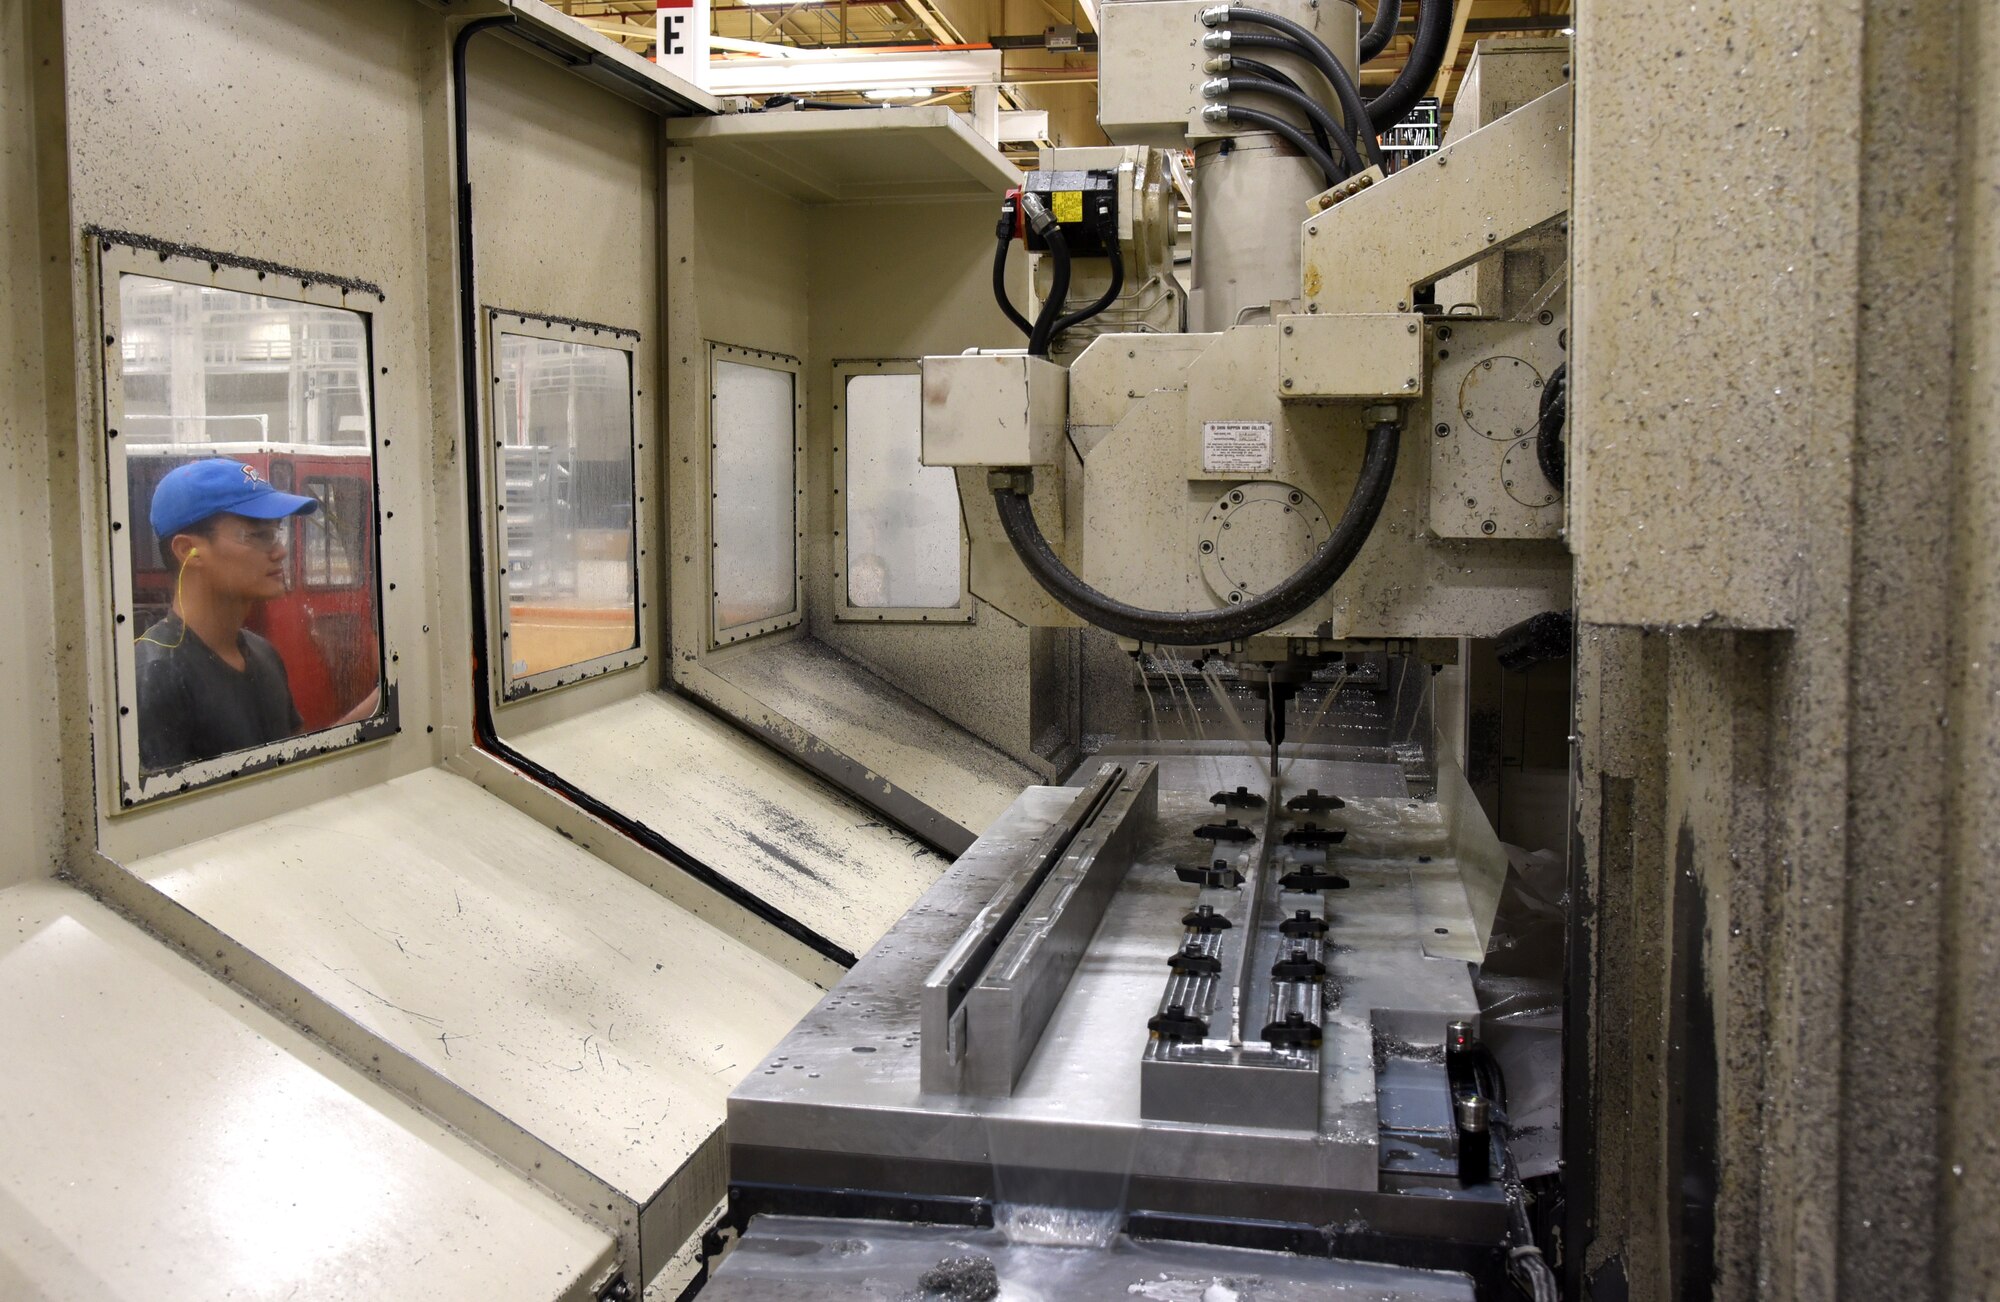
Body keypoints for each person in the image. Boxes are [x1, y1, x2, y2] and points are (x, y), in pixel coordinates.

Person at [134, 457, 337, 771]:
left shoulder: (263, 653)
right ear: (187, 550)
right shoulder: (155, 675)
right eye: (257, 535)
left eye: (276, 533)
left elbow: (292, 775)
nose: (280, 550)